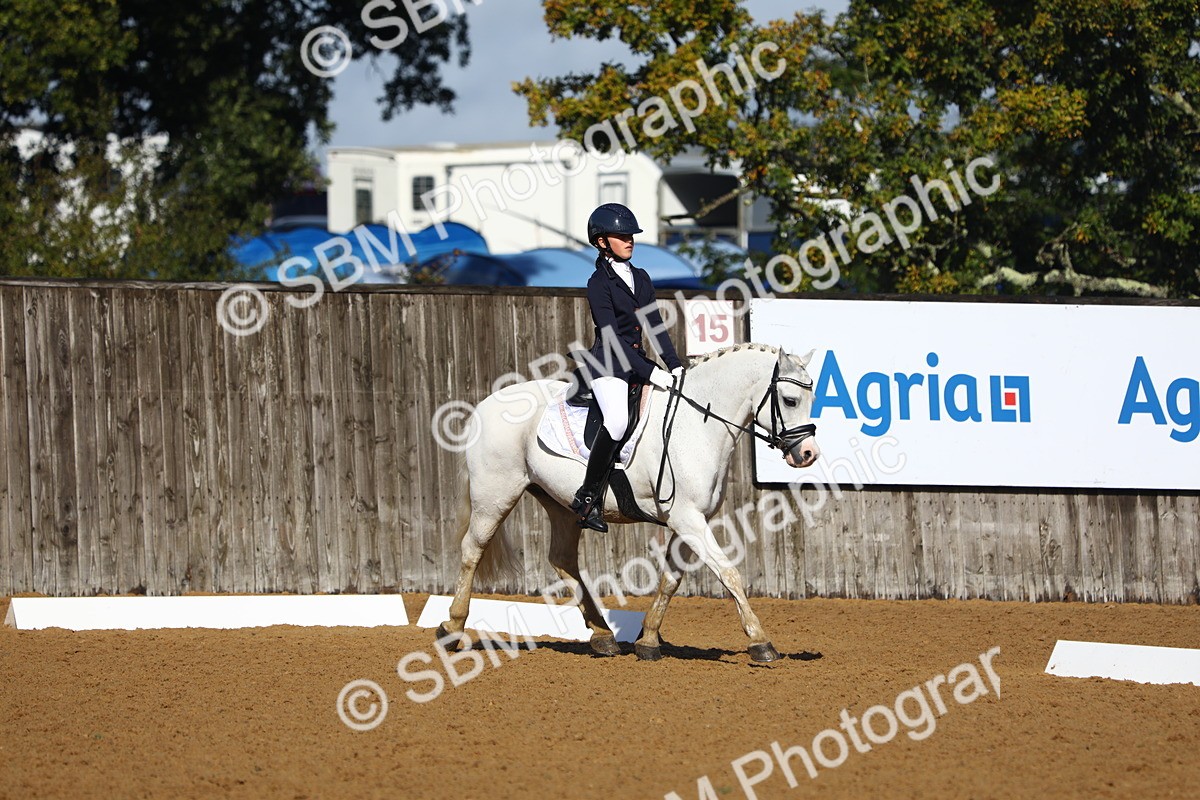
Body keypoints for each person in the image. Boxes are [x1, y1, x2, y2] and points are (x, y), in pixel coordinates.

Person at [571, 202, 684, 532]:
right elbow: (611, 337)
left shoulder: (641, 277)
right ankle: (587, 498)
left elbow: (655, 326)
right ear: (602, 241)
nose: (630, 240)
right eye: (621, 236)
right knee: (618, 421)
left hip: (636, 363)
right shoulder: (598, 284)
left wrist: (674, 365)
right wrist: (650, 373)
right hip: (607, 364)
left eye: (631, 235)